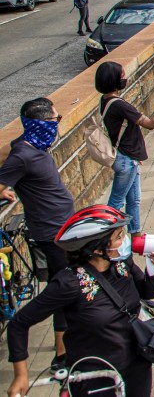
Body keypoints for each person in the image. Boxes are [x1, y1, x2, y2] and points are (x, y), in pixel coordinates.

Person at [7, 206, 154, 397]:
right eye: (118, 237)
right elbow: (19, 323)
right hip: (96, 378)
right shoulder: (68, 283)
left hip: (136, 367)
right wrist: (20, 374)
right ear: (97, 248)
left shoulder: (122, 264)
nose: (124, 241)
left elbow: (147, 292)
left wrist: (152, 266)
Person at [0, 98, 76, 371]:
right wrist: (4, 188)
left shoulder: (33, 145)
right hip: (50, 233)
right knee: (62, 290)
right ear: (41, 125)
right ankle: (62, 356)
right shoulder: (22, 155)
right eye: (55, 120)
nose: (58, 125)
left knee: (67, 286)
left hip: (63, 227)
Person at [94, 62, 154, 235]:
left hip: (127, 157)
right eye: (122, 76)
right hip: (126, 160)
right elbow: (150, 124)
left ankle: (135, 233)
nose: (125, 79)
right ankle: (105, 237)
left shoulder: (104, 100)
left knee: (134, 200)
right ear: (114, 80)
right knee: (116, 202)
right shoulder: (119, 105)